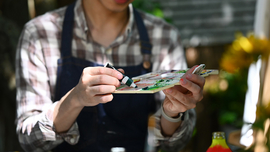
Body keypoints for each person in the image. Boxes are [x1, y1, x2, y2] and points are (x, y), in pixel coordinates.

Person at [15, 0, 205, 151]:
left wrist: (172, 112)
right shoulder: (39, 34)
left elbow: (174, 144)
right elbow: (30, 140)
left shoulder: (164, 36)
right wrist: (74, 100)